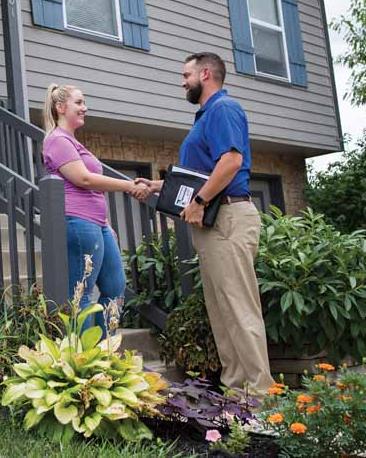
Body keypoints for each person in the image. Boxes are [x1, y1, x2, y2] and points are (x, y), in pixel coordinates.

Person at [136, 53, 275, 396]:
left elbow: (230, 162)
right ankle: (236, 390)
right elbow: (199, 175)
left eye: (187, 74)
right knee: (222, 312)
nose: (183, 81)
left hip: (227, 217)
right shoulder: (205, 117)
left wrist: (198, 202)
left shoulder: (223, 109)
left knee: (239, 309)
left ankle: (260, 396)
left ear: (206, 74)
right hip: (213, 223)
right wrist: (158, 187)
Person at [42, 83, 150, 333]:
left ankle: (105, 350)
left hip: (97, 224)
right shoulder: (57, 140)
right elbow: (84, 179)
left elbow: (93, 188)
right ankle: (83, 359)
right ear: (60, 107)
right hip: (79, 223)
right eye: (78, 103)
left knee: (115, 286)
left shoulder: (72, 142)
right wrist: (128, 185)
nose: (84, 108)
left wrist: (107, 224)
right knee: (82, 293)